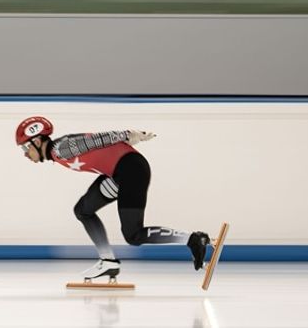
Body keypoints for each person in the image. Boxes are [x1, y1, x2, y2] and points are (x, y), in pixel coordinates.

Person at [16, 115, 209, 281]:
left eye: (26, 148)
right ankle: (107, 261)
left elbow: (97, 139)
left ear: (38, 141)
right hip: (118, 174)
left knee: (133, 235)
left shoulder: (61, 149)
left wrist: (128, 134)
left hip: (131, 172)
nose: (25, 154)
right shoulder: (57, 151)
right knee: (83, 211)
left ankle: (193, 239)